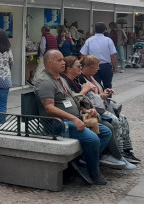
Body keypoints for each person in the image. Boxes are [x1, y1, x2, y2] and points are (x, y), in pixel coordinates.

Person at [34, 50, 112, 185]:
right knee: (93, 139)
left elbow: (71, 99)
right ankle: (93, 171)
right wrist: (74, 119)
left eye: (63, 60)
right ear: (49, 63)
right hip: (58, 123)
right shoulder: (45, 81)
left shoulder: (59, 78)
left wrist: (86, 110)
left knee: (106, 132)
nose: (63, 63)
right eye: (59, 60)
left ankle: (83, 161)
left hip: (72, 118)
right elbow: (49, 108)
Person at [61, 56, 134, 169]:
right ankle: (110, 156)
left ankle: (121, 152)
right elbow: (72, 101)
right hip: (77, 116)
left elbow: (82, 100)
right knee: (109, 126)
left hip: (88, 112)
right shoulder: (68, 81)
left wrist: (96, 99)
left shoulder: (75, 80)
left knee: (117, 121)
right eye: (78, 66)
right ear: (69, 69)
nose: (80, 68)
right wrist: (85, 93)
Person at [78, 55, 139, 166]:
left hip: (101, 106)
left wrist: (104, 93)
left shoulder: (91, 77)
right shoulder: (81, 79)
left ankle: (126, 149)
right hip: (94, 109)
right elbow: (85, 98)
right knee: (114, 121)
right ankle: (117, 152)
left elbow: (96, 95)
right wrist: (100, 96)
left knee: (123, 119)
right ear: (86, 67)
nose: (97, 70)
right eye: (95, 68)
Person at [79, 22, 117, 88]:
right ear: (104, 30)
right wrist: (114, 67)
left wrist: (82, 66)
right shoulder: (108, 40)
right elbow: (112, 55)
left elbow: (83, 54)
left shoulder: (89, 40)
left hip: (92, 65)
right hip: (106, 66)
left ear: (95, 29)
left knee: (95, 85)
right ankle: (107, 94)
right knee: (107, 85)